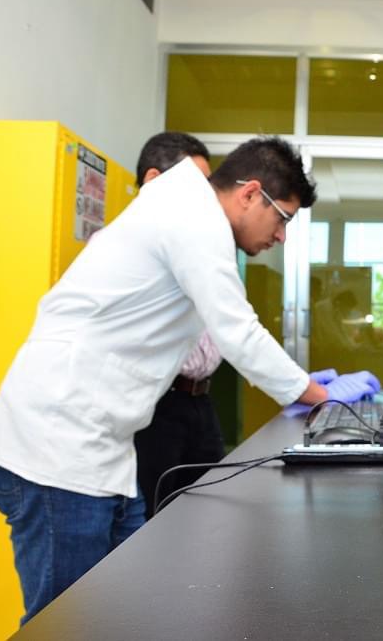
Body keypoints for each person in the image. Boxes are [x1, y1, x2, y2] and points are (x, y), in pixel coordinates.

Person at [0, 136, 380, 625]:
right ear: (250, 193)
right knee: (66, 623)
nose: (281, 237)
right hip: (55, 451)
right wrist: (320, 396)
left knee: (129, 609)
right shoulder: (193, 217)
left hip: (98, 450)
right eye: (283, 219)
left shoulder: (185, 209)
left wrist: (302, 385)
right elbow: (238, 331)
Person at [129, 132, 226, 520]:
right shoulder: (129, 248)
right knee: (158, 518)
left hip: (199, 400)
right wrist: (306, 390)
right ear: (153, 180)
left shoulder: (190, 246)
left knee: (210, 513)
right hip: (159, 404)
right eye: (196, 186)